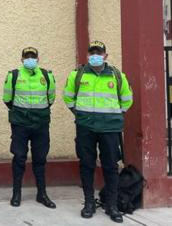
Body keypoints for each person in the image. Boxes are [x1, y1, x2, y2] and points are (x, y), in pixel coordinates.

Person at [64, 41, 133, 223]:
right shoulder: (77, 74)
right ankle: (89, 203)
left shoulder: (117, 75)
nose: (95, 55)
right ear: (87, 55)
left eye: (99, 52)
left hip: (110, 128)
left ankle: (112, 205)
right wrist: (80, 115)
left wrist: (115, 116)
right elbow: (68, 97)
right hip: (86, 127)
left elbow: (127, 99)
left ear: (105, 56)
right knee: (87, 165)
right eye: (92, 52)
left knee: (110, 166)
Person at [2, 47, 56, 208]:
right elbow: (7, 99)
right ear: (22, 59)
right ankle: (16, 193)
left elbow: (51, 98)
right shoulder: (14, 75)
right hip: (20, 123)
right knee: (19, 158)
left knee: (40, 158)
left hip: (41, 123)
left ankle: (42, 194)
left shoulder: (47, 75)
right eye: (27, 56)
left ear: (38, 59)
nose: (30, 59)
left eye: (33, 56)